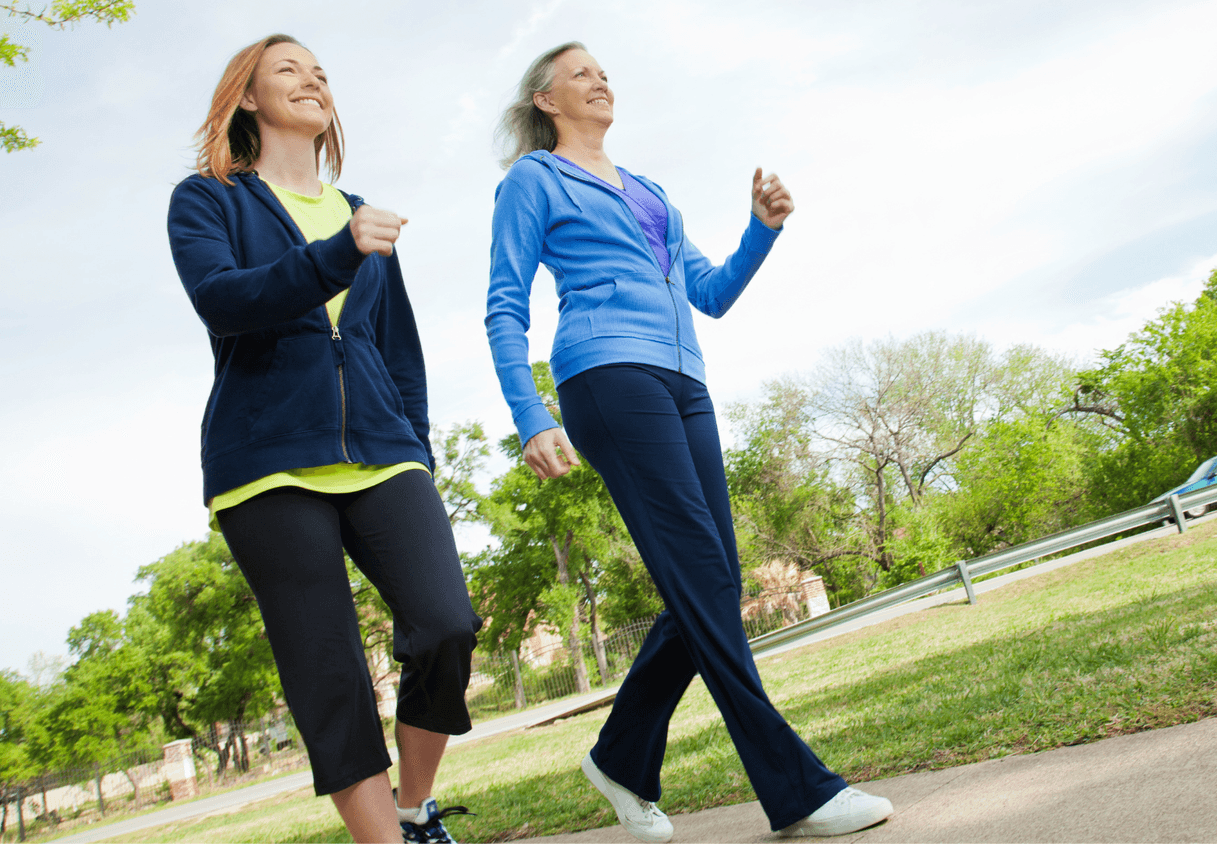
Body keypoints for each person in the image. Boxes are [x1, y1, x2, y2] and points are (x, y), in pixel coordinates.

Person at [486, 42, 895, 841]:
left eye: (604, 71)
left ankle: (620, 757)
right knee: (705, 575)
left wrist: (761, 230)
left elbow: (709, 293)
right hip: (606, 375)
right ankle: (798, 789)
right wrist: (531, 415)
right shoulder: (534, 181)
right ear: (545, 100)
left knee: (712, 580)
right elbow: (505, 304)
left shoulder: (651, 193)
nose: (600, 80)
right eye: (579, 74)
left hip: (684, 381)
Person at [166, 34, 481, 844]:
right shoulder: (209, 200)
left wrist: (420, 448)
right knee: (328, 667)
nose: (312, 80)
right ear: (246, 98)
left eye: (320, 72)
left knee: (446, 622)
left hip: (383, 453)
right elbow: (224, 299)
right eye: (288, 70)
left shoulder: (356, 210)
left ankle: (415, 808)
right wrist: (336, 256)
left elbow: (395, 348)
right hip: (266, 466)